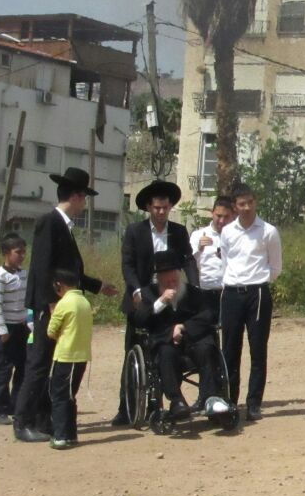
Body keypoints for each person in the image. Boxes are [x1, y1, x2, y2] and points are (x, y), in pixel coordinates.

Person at [13, 167, 118, 443]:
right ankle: (22, 421)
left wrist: (97, 286)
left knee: (52, 362)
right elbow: (42, 266)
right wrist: (50, 303)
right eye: (84, 198)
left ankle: (43, 418)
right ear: (76, 196)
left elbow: (69, 274)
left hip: (63, 305)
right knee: (38, 364)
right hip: (52, 307)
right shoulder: (51, 222)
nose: (85, 204)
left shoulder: (64, 226)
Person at [112, 180, 195, 426]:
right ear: (148, 208)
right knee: (133, 350)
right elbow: (127, 265)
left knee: (171, 346)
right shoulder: (135, 232)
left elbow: (188, 260)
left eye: (165, 207)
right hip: (143, 298)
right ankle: (125, 408)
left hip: (172, 296)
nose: (161, 212)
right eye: (156, 208)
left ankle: (173, 400)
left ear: (170, 207)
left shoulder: (179, 232)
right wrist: (137, 290)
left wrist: (194, 286)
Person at [133, 250, 222, 419]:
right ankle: (176, 401)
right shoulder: (147, 294)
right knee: (166, 354)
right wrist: (161, 302)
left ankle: (211, 398)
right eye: (167, 280)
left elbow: (208, 315)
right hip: (164, 344)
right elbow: (139, 321)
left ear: (179, 274)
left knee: (207, 349)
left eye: (174, 278)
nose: (171, 282)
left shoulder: (193, 293)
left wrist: (183, 327)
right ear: (158, 279)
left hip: (192, 342)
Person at [220, 181, 282, 422]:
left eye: (250, 202)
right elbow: (226, 261)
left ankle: (254, 402)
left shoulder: (268, 231)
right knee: (230, 349)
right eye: (241, 204)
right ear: (235, 207)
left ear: (255, 202)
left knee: (258, 349)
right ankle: (229, 401)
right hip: (232, 294)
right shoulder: (227, 232)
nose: (246, 207)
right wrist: (235, 281)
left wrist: (257, 281)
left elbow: (275, 267)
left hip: (257, 294)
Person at [46, 268, 93, 450]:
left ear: (60, 284)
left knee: (59, 396)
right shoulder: (84, 301)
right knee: (69, 396)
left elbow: (51, 331)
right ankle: (71, 435)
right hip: (81, 356)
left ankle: (60, 435)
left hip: (66, 356)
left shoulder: (64, 303)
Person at [0, 232, 29, 425]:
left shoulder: (24, 274)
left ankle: (16, 404)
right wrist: (3, 330)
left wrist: (29, 323)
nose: (22, 255)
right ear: (6, 253)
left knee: (23, 366)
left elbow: (27, 302)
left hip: (23, 326)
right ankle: (1, 409)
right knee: (4, 368)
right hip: (7, 328)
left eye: (23, 252)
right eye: (18, 252)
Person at [189, 195, 236, 323]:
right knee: (205, 332)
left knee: (229, 333)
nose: (221, 221)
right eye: (218, 216)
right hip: (205, 292)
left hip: (228, 292)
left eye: (226, 217)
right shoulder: (198, 235)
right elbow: (189, 263)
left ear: (233, 216)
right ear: (212, 213)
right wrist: (200, 248)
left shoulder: (236, 237)